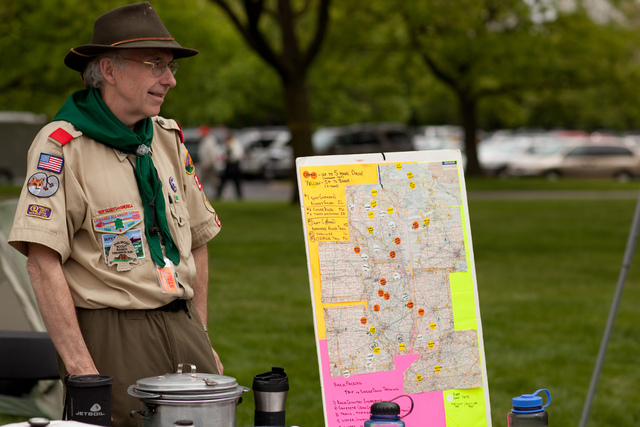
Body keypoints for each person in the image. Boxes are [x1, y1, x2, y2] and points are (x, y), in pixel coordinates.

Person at [8, 3, 223, 426]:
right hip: (113, 334)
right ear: (108, 68)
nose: (170, 79)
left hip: (182, 324)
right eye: (156, 65)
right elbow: (42, 261)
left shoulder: (166, 137)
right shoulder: (61, 146)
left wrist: (201, 334)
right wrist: (80, 366)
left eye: (172, 67)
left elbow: (197, 240)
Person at [216, 130, 244, 200]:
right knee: (223, 180)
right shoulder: (226, 143)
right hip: (228, 164)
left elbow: (237, 155)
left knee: (236, 182)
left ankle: (239, 196)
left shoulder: (235, 143)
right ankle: (218, 195)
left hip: (234, 164)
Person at [197, 125, 221, 199]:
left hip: (208, 164)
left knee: (208, 179)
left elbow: (211, 154)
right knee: (209, 179)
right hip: (206, 163)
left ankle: (218, 192)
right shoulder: (205, 140)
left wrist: (208, 163)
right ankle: (202, 194)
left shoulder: (209, 141)